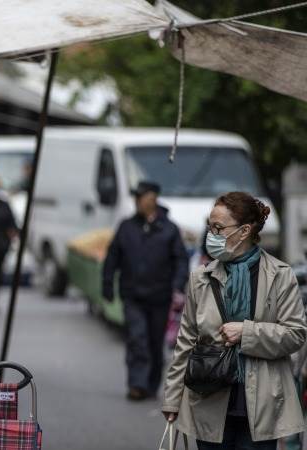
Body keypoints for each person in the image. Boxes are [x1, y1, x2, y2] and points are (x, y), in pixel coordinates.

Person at [163, 191, 307, 449]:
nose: (211, 234)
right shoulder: (201, 278)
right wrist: (172, 400)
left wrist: (247, 333)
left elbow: (295, 333)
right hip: (208, 399)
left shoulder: (280, 276)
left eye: (218, 228)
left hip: (262, 407)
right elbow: (185, 342)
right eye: (210, 226)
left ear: (243, 231)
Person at [102, 180, 188, 401]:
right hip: (133, 295)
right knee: (137, 338)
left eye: (142, 197)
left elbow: (180, 260)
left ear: (153, 199)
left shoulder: (169, 229)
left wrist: (178, 284)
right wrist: (108, 284)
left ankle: (151, 384)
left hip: (160, 296)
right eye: (136, 198)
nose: (138, 202)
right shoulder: (126, 226)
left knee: (154, 341)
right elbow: (112, 257)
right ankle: (137, 384)